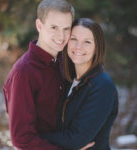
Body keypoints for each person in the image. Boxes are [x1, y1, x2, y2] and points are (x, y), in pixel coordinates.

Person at [3, 0, 74, 149]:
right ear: (39, 26)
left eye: (66, 28)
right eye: (54, 27)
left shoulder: (64, 61)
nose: (61, 36)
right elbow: (22, 138)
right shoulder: (24, 72)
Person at [41, 18, 119, 150]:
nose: (78, 47)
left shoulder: (102, 86)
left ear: (97, 48)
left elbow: (76, 139)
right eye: (74, 39)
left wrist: (33, 137)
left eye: (87, 42)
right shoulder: (66, 81)